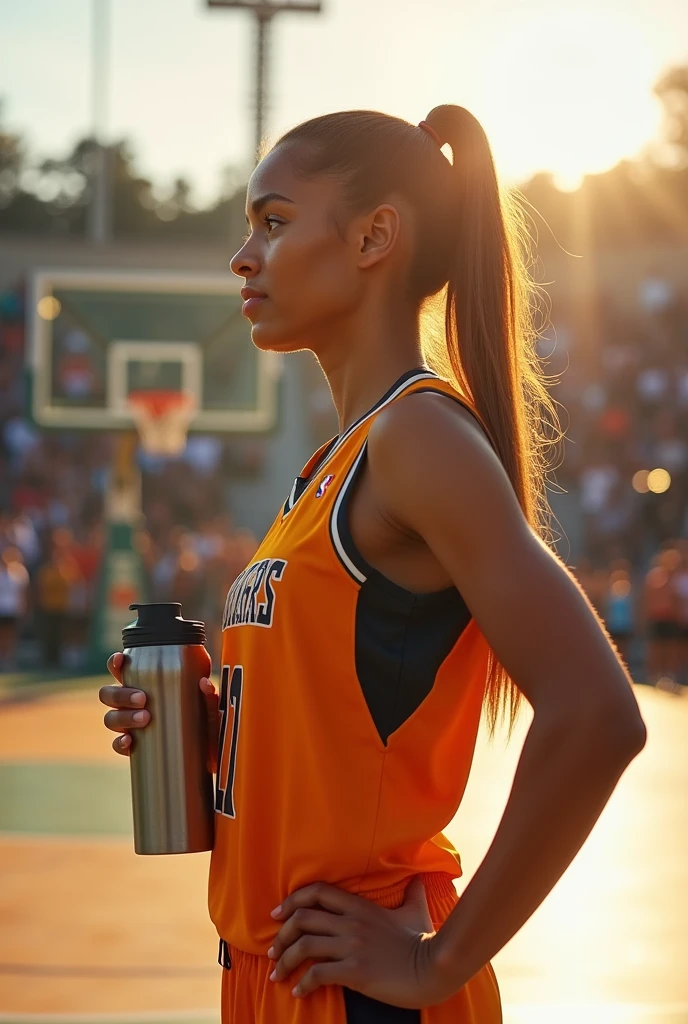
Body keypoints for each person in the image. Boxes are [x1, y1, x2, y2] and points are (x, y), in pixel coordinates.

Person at [99, 106, 647, 1023]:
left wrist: (441, 960)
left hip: (359, 989)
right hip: (276, 972)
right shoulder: (334, 462)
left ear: (374, 237)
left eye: (272, 222)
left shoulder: (416, 435)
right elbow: (349, 720)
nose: (244, 255)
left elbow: (598, 716)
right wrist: (214, 723)